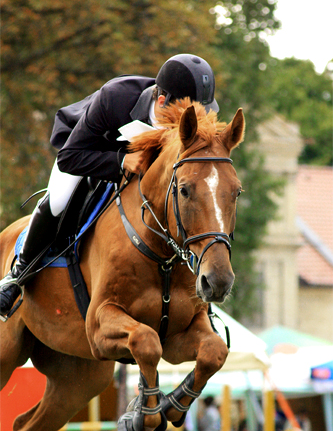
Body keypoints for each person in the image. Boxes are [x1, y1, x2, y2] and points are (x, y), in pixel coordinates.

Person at [0, 54, 219, 319]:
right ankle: (17, 276)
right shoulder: (116, 98)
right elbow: (69, 157)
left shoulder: (193, 115)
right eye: (189, 114)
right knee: (59, 200)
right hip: (86, 152)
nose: (195, 122)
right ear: (162, 101)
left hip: (140, 165)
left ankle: (201, 309)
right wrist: (121, 160)